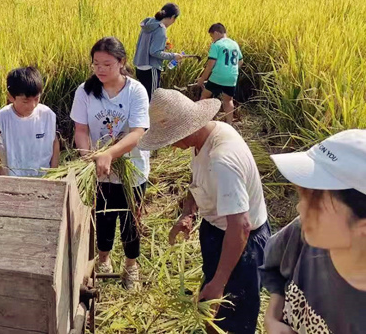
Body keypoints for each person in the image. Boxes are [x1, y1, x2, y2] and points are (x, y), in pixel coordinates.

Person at [139, 88, 269, 334]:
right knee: (211, 309)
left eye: (171, 138)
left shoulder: (223, 159)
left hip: (242, 244)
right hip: (218, 231)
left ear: (188, 129)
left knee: (233, 320)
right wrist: (188, 213)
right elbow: (197, 179)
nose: (173, 146)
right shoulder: (206, 138)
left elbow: (241, 227)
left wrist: (219, 283)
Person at [261, 130, 366, 334]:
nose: (300, 209)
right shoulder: (302, 233)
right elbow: (273, 269)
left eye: (316, 202)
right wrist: (272, 317)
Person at [70, 36, 150, 290]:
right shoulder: (85, 91)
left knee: (129, 219)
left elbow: (138, 133)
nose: (100, 69)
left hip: (132, 168)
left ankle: (131, 266)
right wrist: (89, 156)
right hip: (99, 169)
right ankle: (103, 260)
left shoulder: (136, 90)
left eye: (107, 64)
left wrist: (110, 154)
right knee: (102, 217)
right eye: (96, 64)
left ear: (121, 62)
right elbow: (80, 129)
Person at [0, 66, 59, 177]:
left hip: (43, 179)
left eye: (36, 99)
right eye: (26, 101)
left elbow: (55, 143)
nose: (32, 105)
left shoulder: (47, 115)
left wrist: (53, 174)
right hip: (13, 182)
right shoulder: (2, 118)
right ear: (11, 97)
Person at [133, 2, 185, 100]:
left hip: (140, 66)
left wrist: (163, 47)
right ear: (172, 17)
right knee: (153, 100)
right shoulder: (161, 29)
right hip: (150, 68)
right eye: (175, 19)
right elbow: (154, 52)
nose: (173, 22)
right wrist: (173, 56)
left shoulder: (149, 24)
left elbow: (146, 46)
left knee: (143, 99)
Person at [196, 23, 243, 124]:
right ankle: (230, 124)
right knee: (228, 100)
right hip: (232, 77)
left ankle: (201, 122)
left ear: (216, 33)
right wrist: (231, 70)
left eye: (212, 36)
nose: (212, 39)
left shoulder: (216, 45)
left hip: (218, 76)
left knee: (204, 97)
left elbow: (210, 65)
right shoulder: (234, 44)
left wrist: (201, 80)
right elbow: (240, 61)